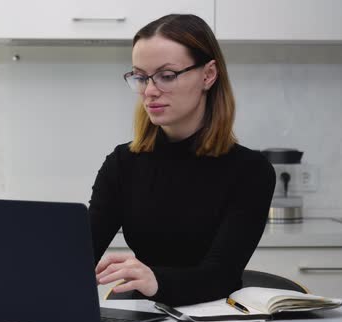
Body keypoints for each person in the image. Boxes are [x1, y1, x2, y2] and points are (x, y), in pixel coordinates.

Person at [90, 14, 276, 306]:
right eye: (140, 77)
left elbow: (221, 275)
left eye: (166, 75)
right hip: (144, 316)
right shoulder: (122, 162)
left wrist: (155, 280)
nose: (149, 91)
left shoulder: (251, 171)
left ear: (208, 75)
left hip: (217, 320)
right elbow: (81, 252)